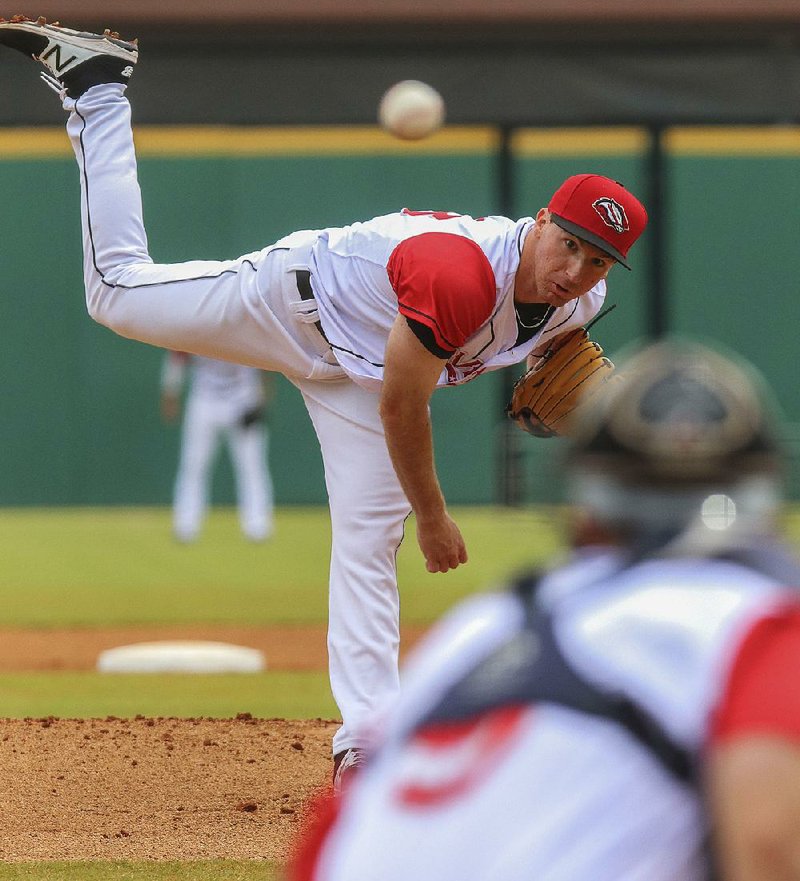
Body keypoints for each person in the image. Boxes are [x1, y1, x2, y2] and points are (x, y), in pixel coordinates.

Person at [0, 16, 648, 786]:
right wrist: (436, 516)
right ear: (540, 221)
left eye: (597, 257)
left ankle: (366, 744)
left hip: (364, 371)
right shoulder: (460, 274)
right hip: (293, 306)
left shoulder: (580, 300)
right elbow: (404, 408)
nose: (576, 268)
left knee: (370, 541)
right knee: (115, 294)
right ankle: (97, 88)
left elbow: (523, 349)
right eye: (568, 241)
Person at [288, 339, 800, 881]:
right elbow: (768, 843)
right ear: (764, 496)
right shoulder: (752, 621)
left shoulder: (483, 627)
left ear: (583, 506)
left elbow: (334, 839)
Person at [160, 351, 274, 543]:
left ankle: (258, 524)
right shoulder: (196, 326)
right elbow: (178, 357)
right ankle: (186, 524)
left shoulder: (244, 324)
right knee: (193, 465)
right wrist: (171, 393)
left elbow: (266, 363)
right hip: (205, 400)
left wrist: (261, 400)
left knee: (251, 465)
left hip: (242, 400)